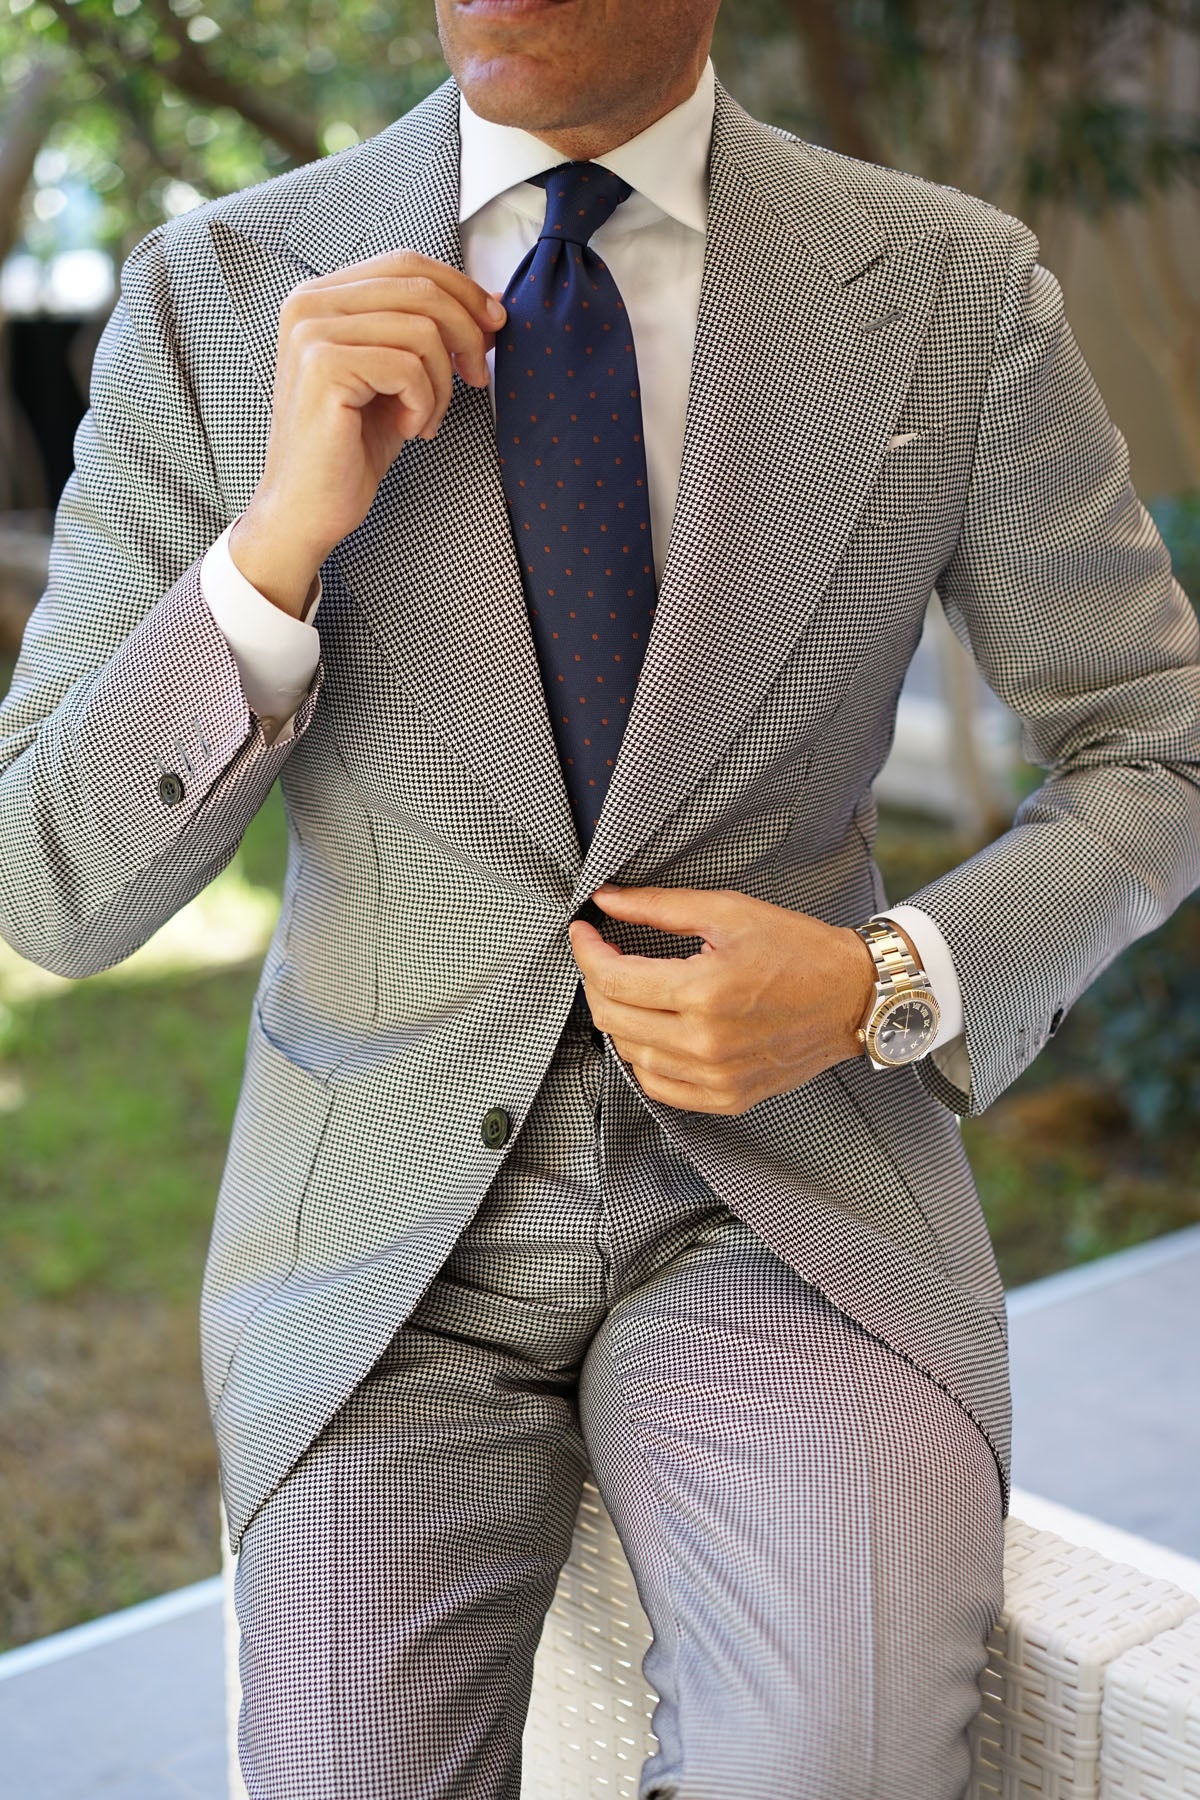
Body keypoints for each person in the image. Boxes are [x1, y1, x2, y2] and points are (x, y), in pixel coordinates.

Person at [1, 0, 1197, 1793]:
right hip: (379, 1238)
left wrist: (891, 974)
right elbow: (48, 886)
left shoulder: (948, 290)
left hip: (790, 1200)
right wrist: (274, 551)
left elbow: (1158, 743)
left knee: (838, 1764)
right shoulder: (215, 293)